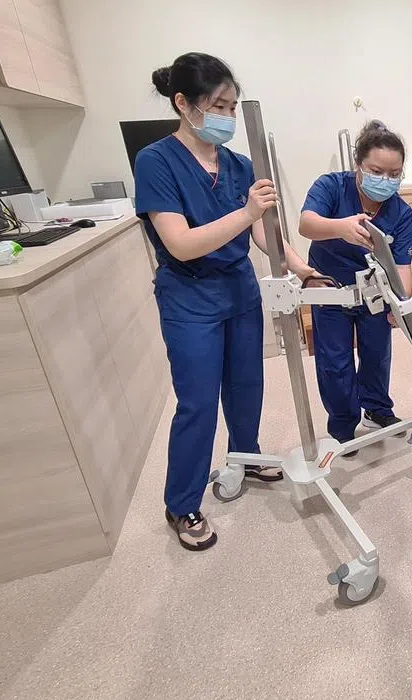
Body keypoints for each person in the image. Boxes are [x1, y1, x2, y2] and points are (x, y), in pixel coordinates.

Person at [134, 53, 317, 551]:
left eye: (233, 107)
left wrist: (300, 267)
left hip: (237, 288)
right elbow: (181, 242)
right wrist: (246, 212)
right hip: (189, 293)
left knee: (245, 383)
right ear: (183, 103)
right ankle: (182, 503)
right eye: (218, 106)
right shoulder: (156, 161)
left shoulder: (237, 165)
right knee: (196, 402)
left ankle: (246, 454)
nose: (228, 118)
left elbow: (262, 229)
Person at [299, 120, 412, 454]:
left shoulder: (400, 212)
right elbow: (307, 224)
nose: (386, 180)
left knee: (377, 355)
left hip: (375, 293)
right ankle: (342, 426)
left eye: (395, 173)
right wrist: (340, 227)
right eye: (377, 171)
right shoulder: (332, 187)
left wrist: (400, 304)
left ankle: (377, 410)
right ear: (358, 166)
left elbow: (402, 267)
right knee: (335, 362)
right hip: (331, 288)